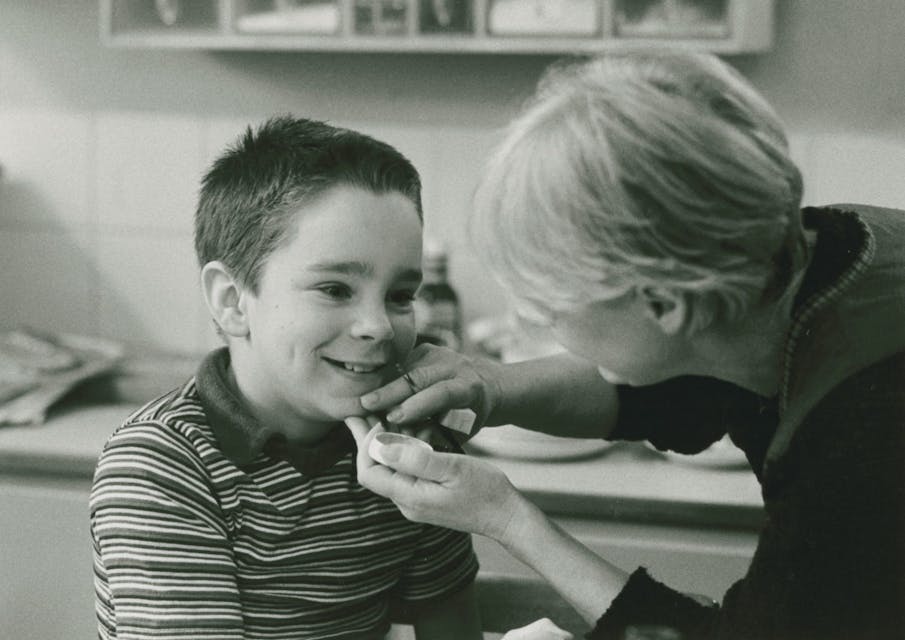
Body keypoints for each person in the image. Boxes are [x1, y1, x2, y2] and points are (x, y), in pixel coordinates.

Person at [346, 51, 905, 640]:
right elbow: (683, 383)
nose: (535, 319)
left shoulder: (867, 447)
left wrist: (508, 518)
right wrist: (491, 385)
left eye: (551, 305)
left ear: (665, 304)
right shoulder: (798, 254)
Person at [89, 116, 482, 640]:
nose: (379, 326)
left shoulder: (410, 448)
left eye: (400, 296)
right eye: (335, 289)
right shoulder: (160, 467)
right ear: (232, 302)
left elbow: (451, 628)